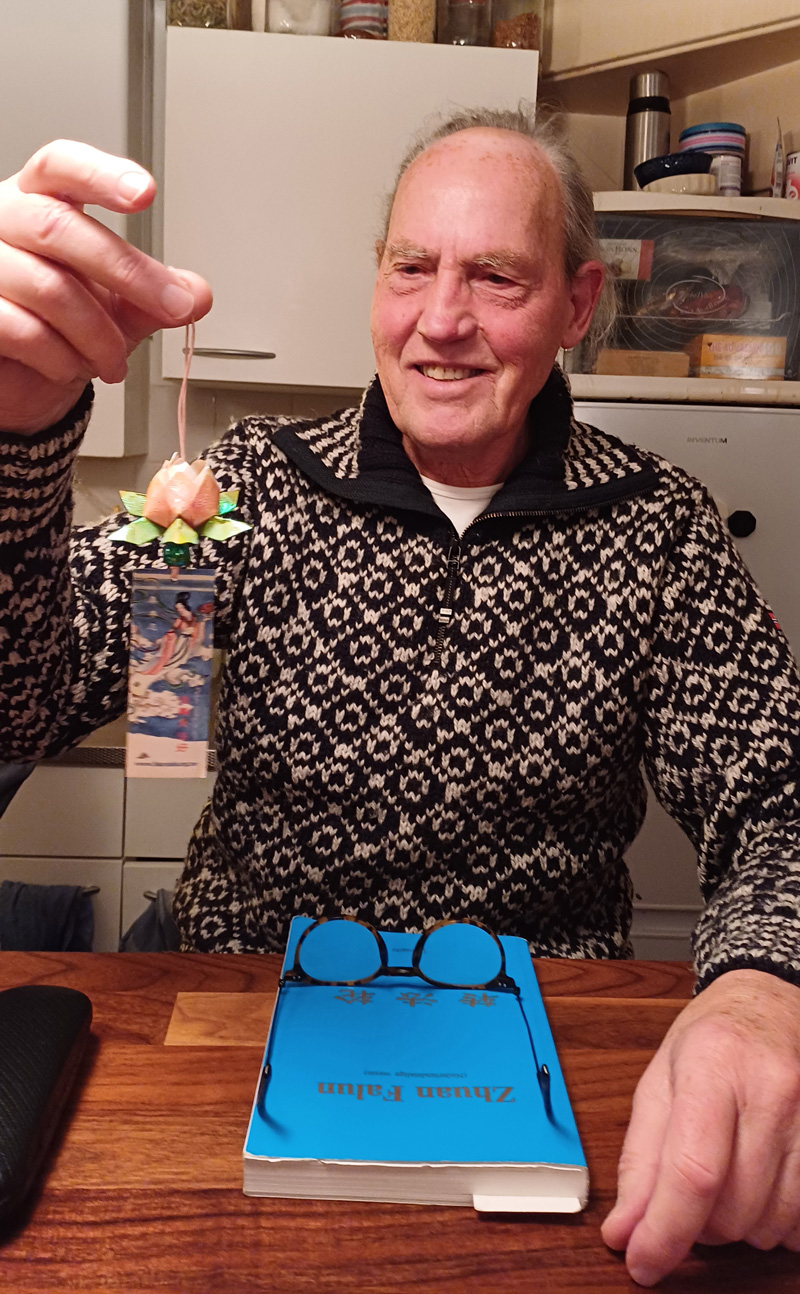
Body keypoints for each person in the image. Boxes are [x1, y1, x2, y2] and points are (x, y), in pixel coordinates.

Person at [1, 113, 800, 1286]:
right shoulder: (241, 488)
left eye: (496, 277)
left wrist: (764, 985)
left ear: (576, 305)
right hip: (234, 1033)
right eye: (411, 266)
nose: (440, 319)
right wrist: (15, 444)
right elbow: (18, 700)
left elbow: (777, 797)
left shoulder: (659, 524)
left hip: (549, 1057)